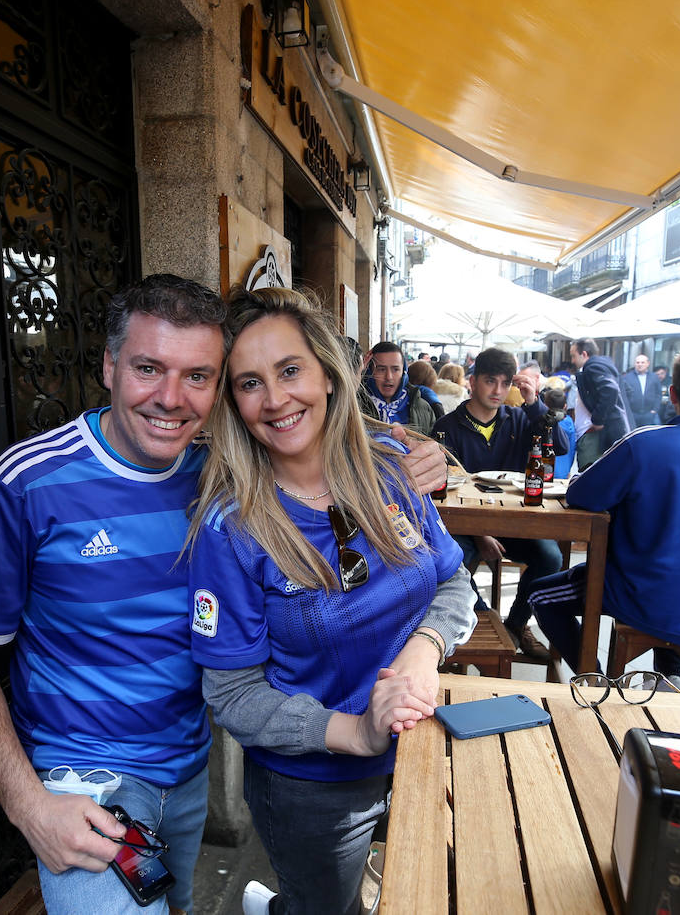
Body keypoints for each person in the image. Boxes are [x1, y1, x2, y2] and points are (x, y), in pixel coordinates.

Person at [0, 275, 449, 915]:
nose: (171, 399)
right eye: (149, 368)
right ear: (110, 365)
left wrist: (421, 451)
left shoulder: (219, 473)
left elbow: (316, 440)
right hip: (89, 777)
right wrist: (25, 802)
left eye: (198, 376)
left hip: (188, 764)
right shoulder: (24, 485)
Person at [186, 287, 476, 915]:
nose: (276, 399)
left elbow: (453, 583)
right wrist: (358, 733)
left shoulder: (394, 466)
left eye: (290, 370)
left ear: (326, 372)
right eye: (249, 383)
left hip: (423, 744)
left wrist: (423, 655)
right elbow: (232, 696)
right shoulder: (231, 529)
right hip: (313, 789)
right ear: (233, 403)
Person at [522, 340, 680, 683]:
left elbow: (581, 494)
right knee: (674, 572)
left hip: (641, 598)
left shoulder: (643, 445)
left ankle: (596, 679)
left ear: (672, 394)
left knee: (540, 594)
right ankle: (668, 675)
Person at [433, 347, 565, 663]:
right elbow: (441, 492)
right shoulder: (447, 426)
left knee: (551, 557)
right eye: (491, 381)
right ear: (473, 381)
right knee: (452, 561)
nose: (498, 391)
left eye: (506, 384)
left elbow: (558, 446)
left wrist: (534, 402)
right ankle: (478, 618)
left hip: (512, 525)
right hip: (462, 528)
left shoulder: (519, 418)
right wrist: (480, 534)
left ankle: (516, 624)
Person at [571, 338, 631, 470]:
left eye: (573, 356)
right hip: (600, 433)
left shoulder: (594, 366)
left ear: (584, 354)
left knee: (590, 477)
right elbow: (626, 390)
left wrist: (598, 419)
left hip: (596, 435)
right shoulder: (604, 365)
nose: (572, 361)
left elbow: (610, 390)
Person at [362, 341, 437, 436]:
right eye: (381, 369)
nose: (389, 377)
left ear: (404, 372)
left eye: (395, 369)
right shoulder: (355, 406)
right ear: (369, 372)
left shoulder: (422, 408)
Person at [541, 382, 576, 477]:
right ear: (565, 406)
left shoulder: (542, 423)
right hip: (564, 471)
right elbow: (572, 449)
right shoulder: (570, 423)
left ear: (545, 405)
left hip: (544, 471)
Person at [620, 353, 663, 427]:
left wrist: (655, 410)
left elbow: (658, 394)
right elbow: (623, 395)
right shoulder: (627, 378)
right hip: (633, 414)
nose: (640, 364)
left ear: (648, 364)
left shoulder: (654, 377)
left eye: (642, 362)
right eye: (637, 362)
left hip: (649, 414)